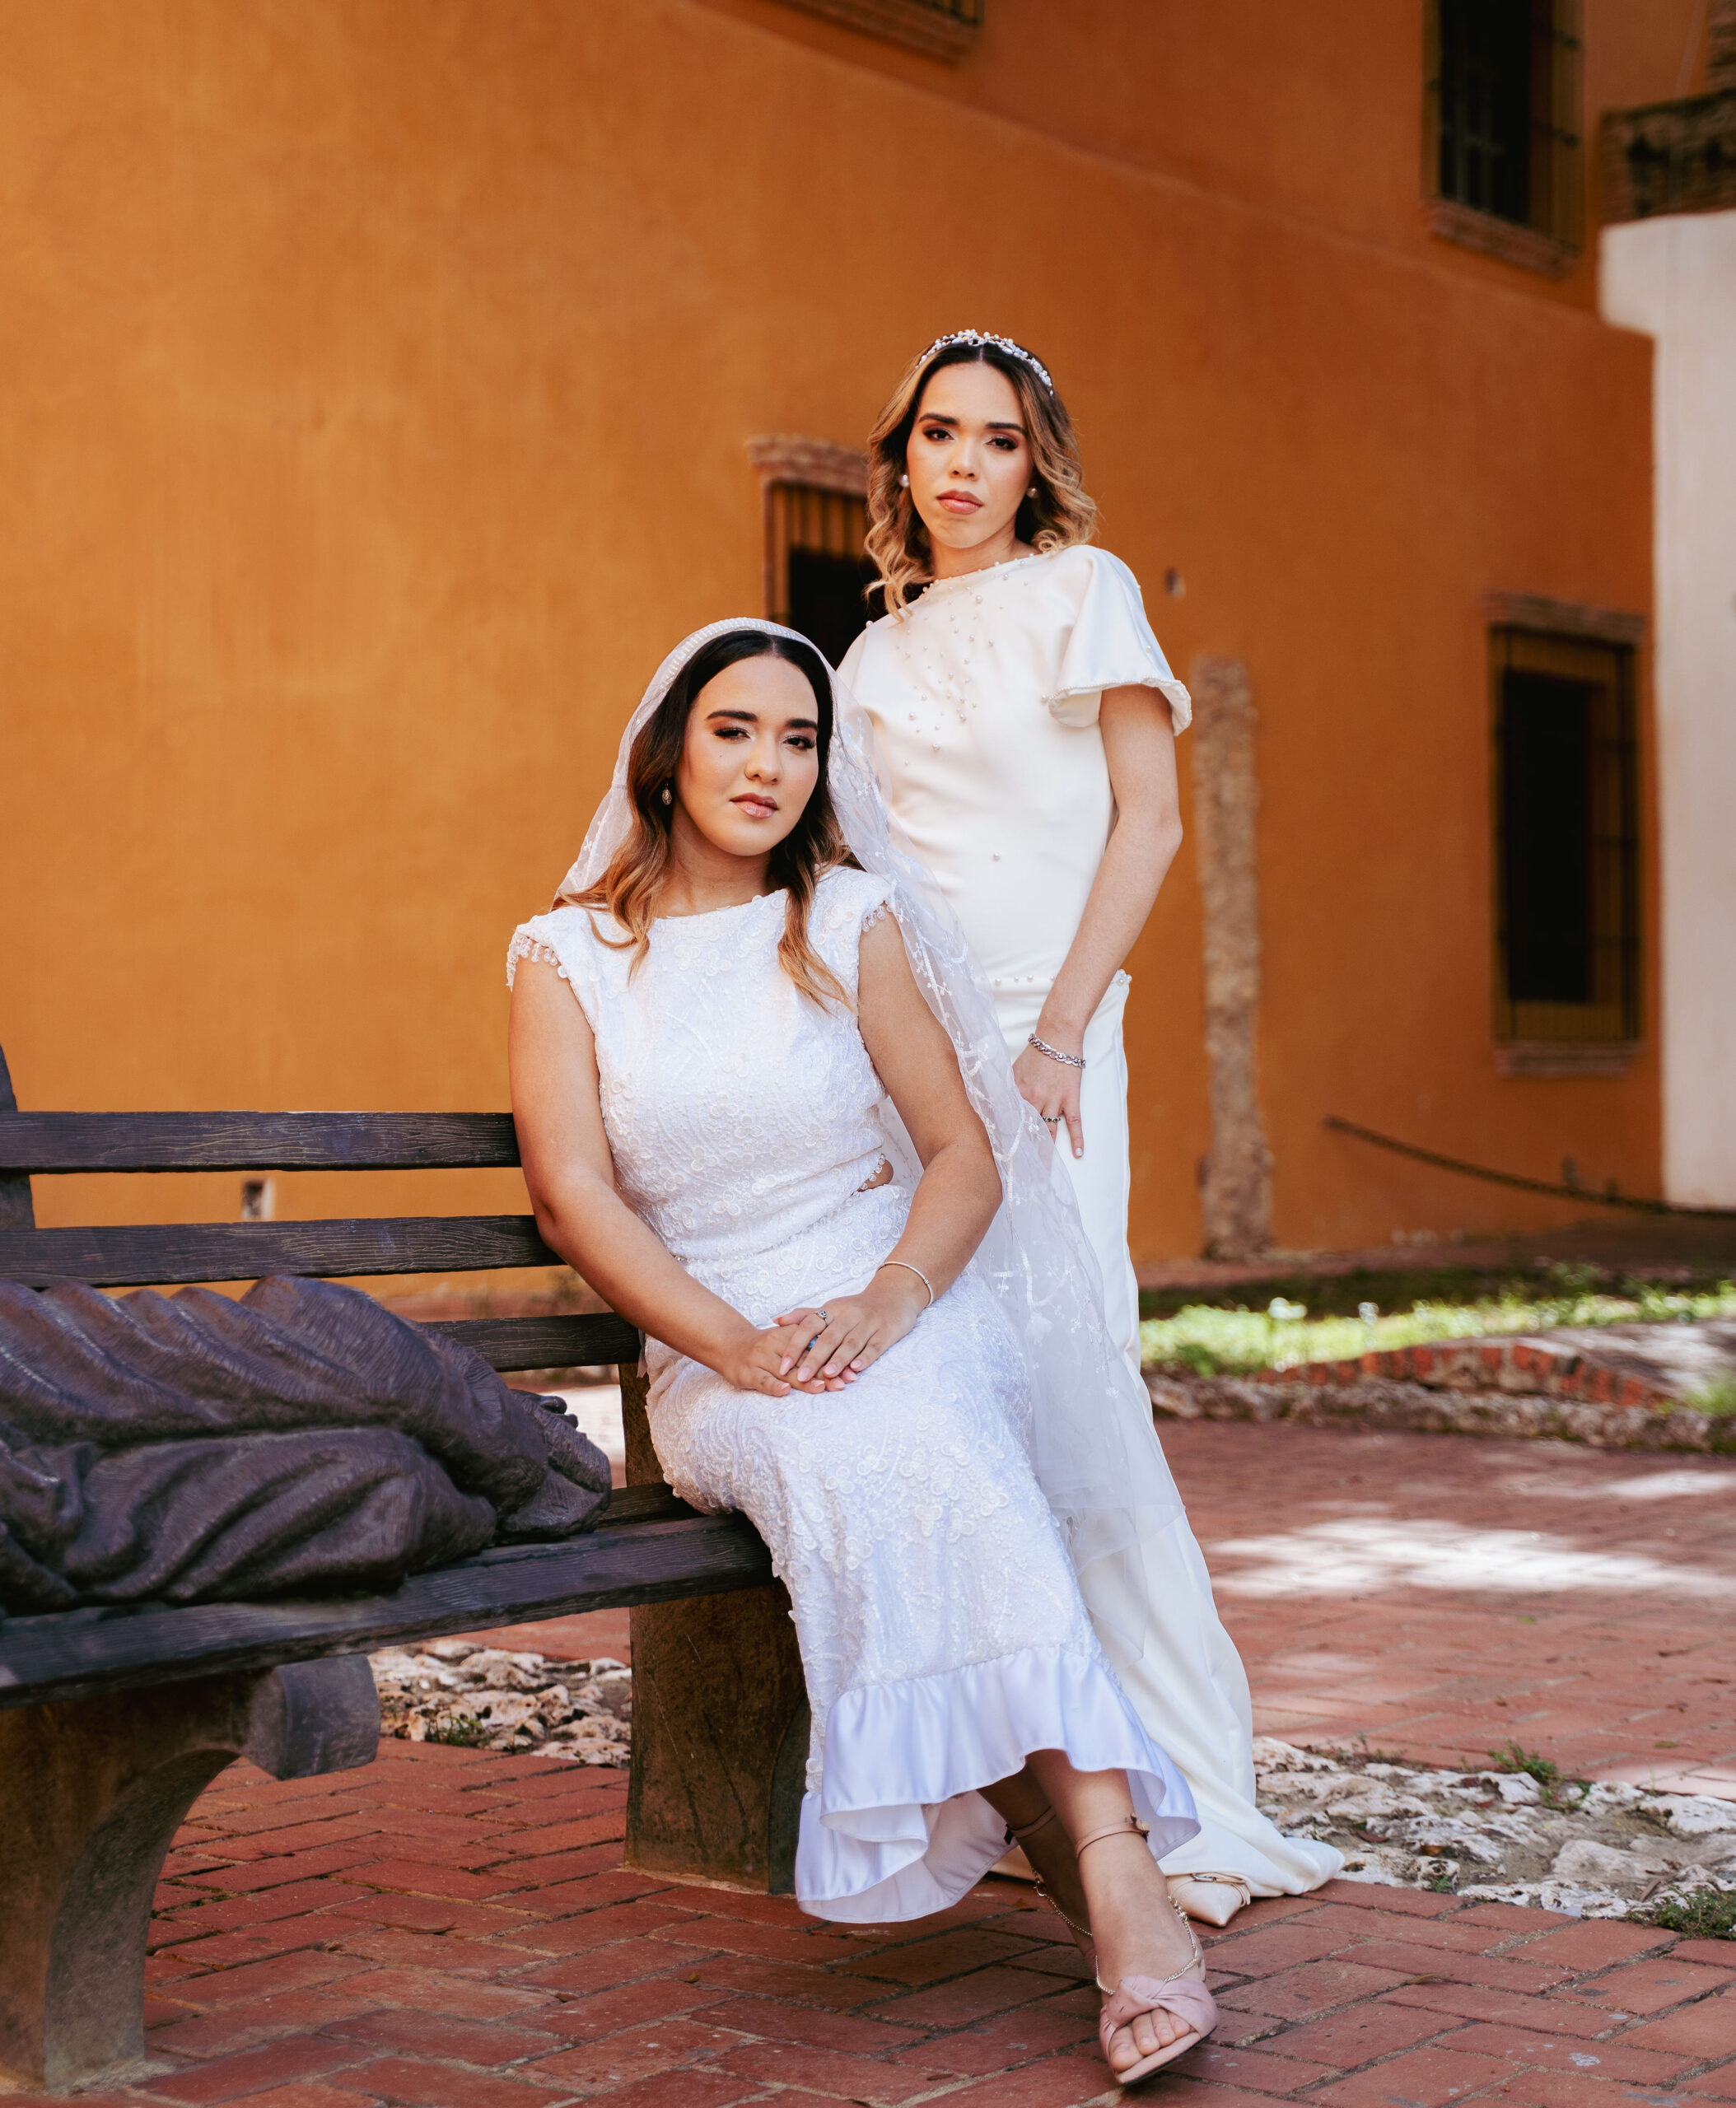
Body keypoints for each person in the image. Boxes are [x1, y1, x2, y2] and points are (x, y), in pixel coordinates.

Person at [507, 619, 1225, 2083]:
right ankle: (1109, 1872)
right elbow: (574, 1192)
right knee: (859, 1451)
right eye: (735, 730)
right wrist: (733, 1345)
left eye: (799, 738)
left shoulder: (847, 921)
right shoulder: (567, 955)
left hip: (898, 1306)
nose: (768, 765)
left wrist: (892, 1304)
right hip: (718, 1353)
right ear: (670, 751)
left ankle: (1111, 1870)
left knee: (927, 1431)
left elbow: (962, 1153)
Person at [839, 329, 1340, 1917]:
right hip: (913, 1055)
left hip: (1048, 1039)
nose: (966, 464)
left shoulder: (1086, 592)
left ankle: (1177, 1781)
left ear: (1034, 462)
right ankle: (1035, 1776)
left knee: (1073, 1377)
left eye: (999, 438)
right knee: (959, 1396)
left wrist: (1060, 1032)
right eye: (940, 434)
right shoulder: (864, 663)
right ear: (903, 459)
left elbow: (1152, 818)